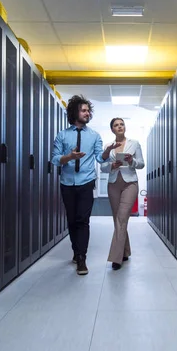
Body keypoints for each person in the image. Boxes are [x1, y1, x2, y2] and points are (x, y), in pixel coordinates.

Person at [51, 95, 120, 275]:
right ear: (75, 112)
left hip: (86, 182)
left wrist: (107, 151)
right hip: (67, 183)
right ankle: (76, 251)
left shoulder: (94, 136)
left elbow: (98, 157)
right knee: (72, 220)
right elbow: (55, 159)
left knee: (83, 220)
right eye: (84, 110)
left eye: (88, 111)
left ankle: (82, 258)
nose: (87, 113)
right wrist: (70, 157)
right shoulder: (62, 135)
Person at [100, 118, 144, 270]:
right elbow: (102, 167)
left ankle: (116, 258)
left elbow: (141, 164)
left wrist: (131, 161)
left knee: (122, 217)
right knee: (117, 219)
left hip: (130, 183)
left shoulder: (135, 143)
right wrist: (111, 165)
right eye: (116, 125)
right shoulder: (109, 147)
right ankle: (125, 251)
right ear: (112, 129)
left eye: (121, 124)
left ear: (125, 127)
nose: (119, 127)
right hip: (113, 184)